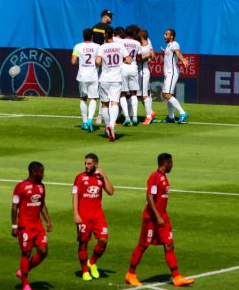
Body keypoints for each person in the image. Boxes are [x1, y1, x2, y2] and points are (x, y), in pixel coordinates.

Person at [125, 153, 195, 287]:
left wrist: (161, 216)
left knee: (169, 244)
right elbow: (149, 197)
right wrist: (157, 216)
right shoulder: (155, 177)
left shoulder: (163, 177)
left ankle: (176, 277)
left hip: (163, 217)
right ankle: (130, 274)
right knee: (143, 245)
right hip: (151, 218)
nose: (172, 166)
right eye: (171, 163)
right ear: (165, 163)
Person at [72, 153, 115, 281]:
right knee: (83, 243)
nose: (86, 166)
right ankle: (85, 270)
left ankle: (92, 262)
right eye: (85, 163)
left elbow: (111, 192)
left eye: (89, 163)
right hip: (83, 216)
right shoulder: (79, 177)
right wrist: (75, 214)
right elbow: (75, 195)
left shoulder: (100, 177)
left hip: (98, 216)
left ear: (96, 164)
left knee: (103, 240)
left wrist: (105, 176)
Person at [12, 162, 52, 290]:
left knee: (43, 252)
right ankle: (25, 284)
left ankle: (24, 270)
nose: (43, 174)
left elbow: (42, 205)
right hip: (25, 227)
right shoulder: (21, 187)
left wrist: (48, 221)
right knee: (26, 254)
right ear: (34, 172)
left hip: (38, 226)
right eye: (41, 172)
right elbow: (14, 207)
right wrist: (14, 225)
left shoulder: (42, 187)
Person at [96, 27, 132, 141]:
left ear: (106, 35)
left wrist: (101, 62)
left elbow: (97, 62)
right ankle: (111, 125)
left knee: (105, 105)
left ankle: (108, 129)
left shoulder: (102, 47)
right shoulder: (120, 46)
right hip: (116, 78)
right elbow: (129, 60)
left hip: (105, 79)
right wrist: (121, 61)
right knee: (115, 103)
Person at [72, 29, 101, 132]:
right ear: (92, 36)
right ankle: (89, 120)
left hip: (82, 75)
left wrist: (81, 64)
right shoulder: (97, 47)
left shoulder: (77, 46)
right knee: (93, 98)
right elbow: (98, 62)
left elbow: (73, 61)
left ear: (83, 36)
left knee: (83, 98)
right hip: (93, 75)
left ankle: (84, 123)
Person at [161, 29, 189, 124]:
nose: (164, 35)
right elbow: (172, 55)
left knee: (167, 95)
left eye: (166, 34)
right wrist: (165, 52)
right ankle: (171, 117)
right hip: (167, 73)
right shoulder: (168, 45)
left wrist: (183, 60)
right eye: (164, 33)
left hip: (172, 73)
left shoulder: (175, 44)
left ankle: (183, 113)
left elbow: (177, 52)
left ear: (171, 36)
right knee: (167, 95)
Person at [120, 26, 142, 126]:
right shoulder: (137, 43)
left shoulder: (120, 42)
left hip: (123, 68)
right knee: (134, 93)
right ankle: (135, 117)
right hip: (133, 67)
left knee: (123, 94)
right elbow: (139, 57)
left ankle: (127, 117)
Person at [137, 29, 156, 124]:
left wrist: (149, 55)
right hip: (138, 72)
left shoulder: (148, 41)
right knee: (140, 96)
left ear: (142, 37)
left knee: (145, 95)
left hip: (144, 72)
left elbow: (153, 56)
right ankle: (151, 112)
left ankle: (148, 117)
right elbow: (139, 58)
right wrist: (148, 55)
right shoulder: (138, 43)